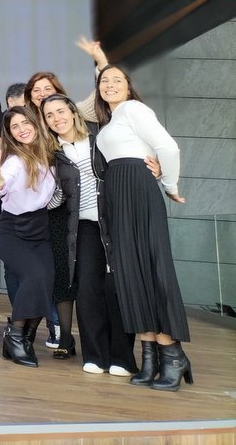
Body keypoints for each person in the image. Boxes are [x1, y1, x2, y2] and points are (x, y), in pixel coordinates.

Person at [95, 65, 190, 391]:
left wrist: (170, 184)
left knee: (152, 269)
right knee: (131, 274)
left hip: (137, 188)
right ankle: (150, 357)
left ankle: (172, 356)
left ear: (129, 85)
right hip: (118, 193)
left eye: (117, 79)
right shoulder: (110, 121)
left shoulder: (134, 109)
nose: (109, 84)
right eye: (104, 80)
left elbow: (168, 147)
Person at [42, 94, 142, 376]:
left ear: (73, 112)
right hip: (84, 226)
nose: (56, 118)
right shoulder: (54, 153)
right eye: (49, 115)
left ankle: (122, 358)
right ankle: (95, 356)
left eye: (60, 111)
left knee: (116, 288)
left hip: (116, 222)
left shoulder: (100, 138)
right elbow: (57, 196)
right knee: (87, 290)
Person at [0, 107, 57, 366]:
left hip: (40, 229)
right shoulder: (14, 161)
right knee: (35, 276)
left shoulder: (50, 154)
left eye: (25, 123)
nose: (22, 129)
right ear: (10, 134)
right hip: (12, 230)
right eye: (15, 127)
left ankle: (25, 339)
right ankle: (15, 337)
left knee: (45, 280)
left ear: (35, 123)